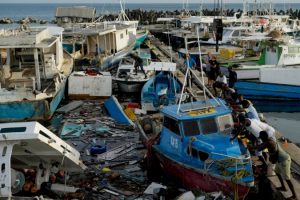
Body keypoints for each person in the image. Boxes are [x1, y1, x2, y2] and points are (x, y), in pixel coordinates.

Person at [257, 131, 298, 200]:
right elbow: (263, 146)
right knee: (277, 172)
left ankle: (295, 196)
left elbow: (259, 148)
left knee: (287, 179)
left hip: (284, 160)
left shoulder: (269, 142)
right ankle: (283, 187)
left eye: (260, 137)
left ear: (263, 138)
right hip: (280, 160)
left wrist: (256, 145)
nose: (260, 139)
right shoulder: (269, 139)